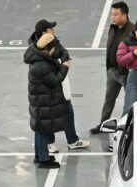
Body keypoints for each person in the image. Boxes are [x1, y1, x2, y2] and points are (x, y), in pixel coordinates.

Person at [27, 19, 89, 152]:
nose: (54, 31)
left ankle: (72, 140)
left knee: (68, 110)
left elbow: (65, 53)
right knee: (47, 115)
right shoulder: (37, 47)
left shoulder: (54, 41)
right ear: (44, 33)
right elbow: (52, 64)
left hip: (59, 83)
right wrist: (60, 63)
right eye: (51, 29)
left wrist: (58, 61)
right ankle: (50, 143)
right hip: (49, 87)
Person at [24, 33, 71, 169]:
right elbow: (54, 80)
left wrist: (59, 63)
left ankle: (39, 155)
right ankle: (43, 159)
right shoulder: (40, 65)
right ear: (48, 48)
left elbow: (51, 66)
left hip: (40, 101)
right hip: (43, 102)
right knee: (43, 129)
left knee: (40, 129)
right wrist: (65, 67)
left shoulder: (39, 58)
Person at [89, 2, 135, 134]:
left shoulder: (132, 31)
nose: (112, 17)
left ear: (124, 15)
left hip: (125, 73)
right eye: (111, 14)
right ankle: (103, 125)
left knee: (129, 102)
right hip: (112, 71)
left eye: (115, 14)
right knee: (109, 99)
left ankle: (126, 127)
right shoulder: (113, 28)